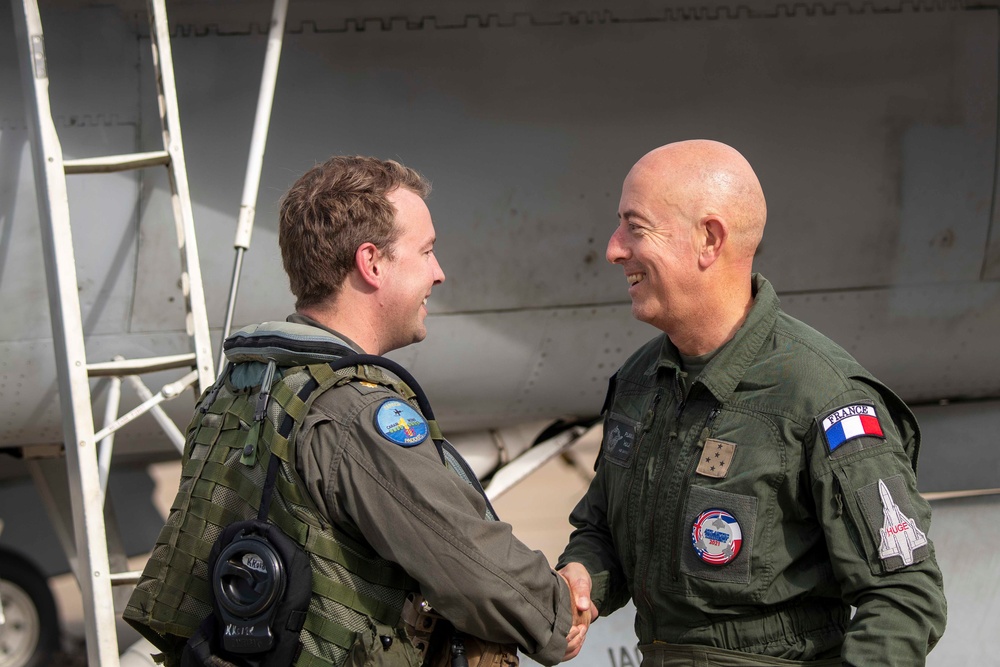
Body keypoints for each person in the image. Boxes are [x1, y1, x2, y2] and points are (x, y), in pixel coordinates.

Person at [124, 156, 589, 667]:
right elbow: (469, 561)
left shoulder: (240, 387)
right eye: (426, 251)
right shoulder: (355, 412)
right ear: (371, 263)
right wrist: (556, 612)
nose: (438, 273)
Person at [556, 140, 946, 666]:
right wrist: (583, 575)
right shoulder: (640, 381)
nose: (613, 249)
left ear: (709, 240)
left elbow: (905, 594)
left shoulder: (825, 397)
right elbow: (602, 528)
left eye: (636, 227)